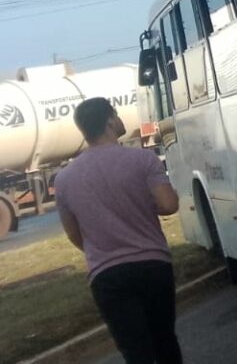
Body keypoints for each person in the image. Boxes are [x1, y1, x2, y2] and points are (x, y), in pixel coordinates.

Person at [54, 97, 183, 364]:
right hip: (152, 265)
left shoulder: (65, 179)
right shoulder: (143, 159)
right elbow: (169, 205)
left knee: (136, 352)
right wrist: (141, 206)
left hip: (106, 275)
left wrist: (101, 247)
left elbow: (74, 233)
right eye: (117, 114)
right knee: (164, 341)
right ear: (111, 121)